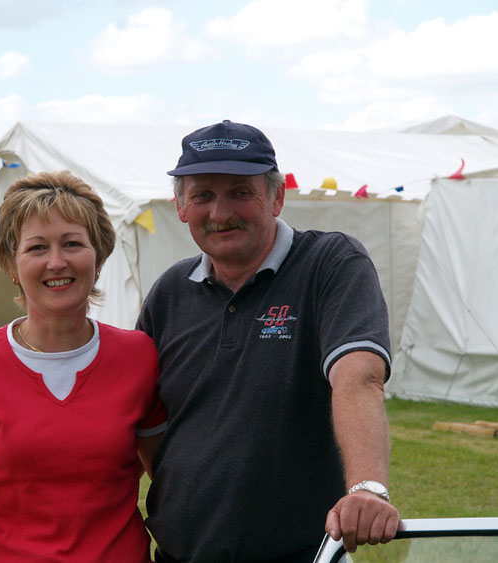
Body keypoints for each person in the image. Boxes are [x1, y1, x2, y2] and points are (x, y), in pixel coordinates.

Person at [136, 120, 401, 562]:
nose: (220, 213)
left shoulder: (330, 263)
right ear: (180, 206)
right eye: (202, 195)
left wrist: (367, 488)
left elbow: (359, 376)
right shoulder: (170, 292)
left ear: (276, 197)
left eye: (240, 192)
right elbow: (144, 415)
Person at [0, 170, 167, 562]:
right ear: (11, 263)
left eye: (72, 243)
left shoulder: (139, 357)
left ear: (99, 255)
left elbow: (172, 491)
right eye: (37, 248)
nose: (57, 262)